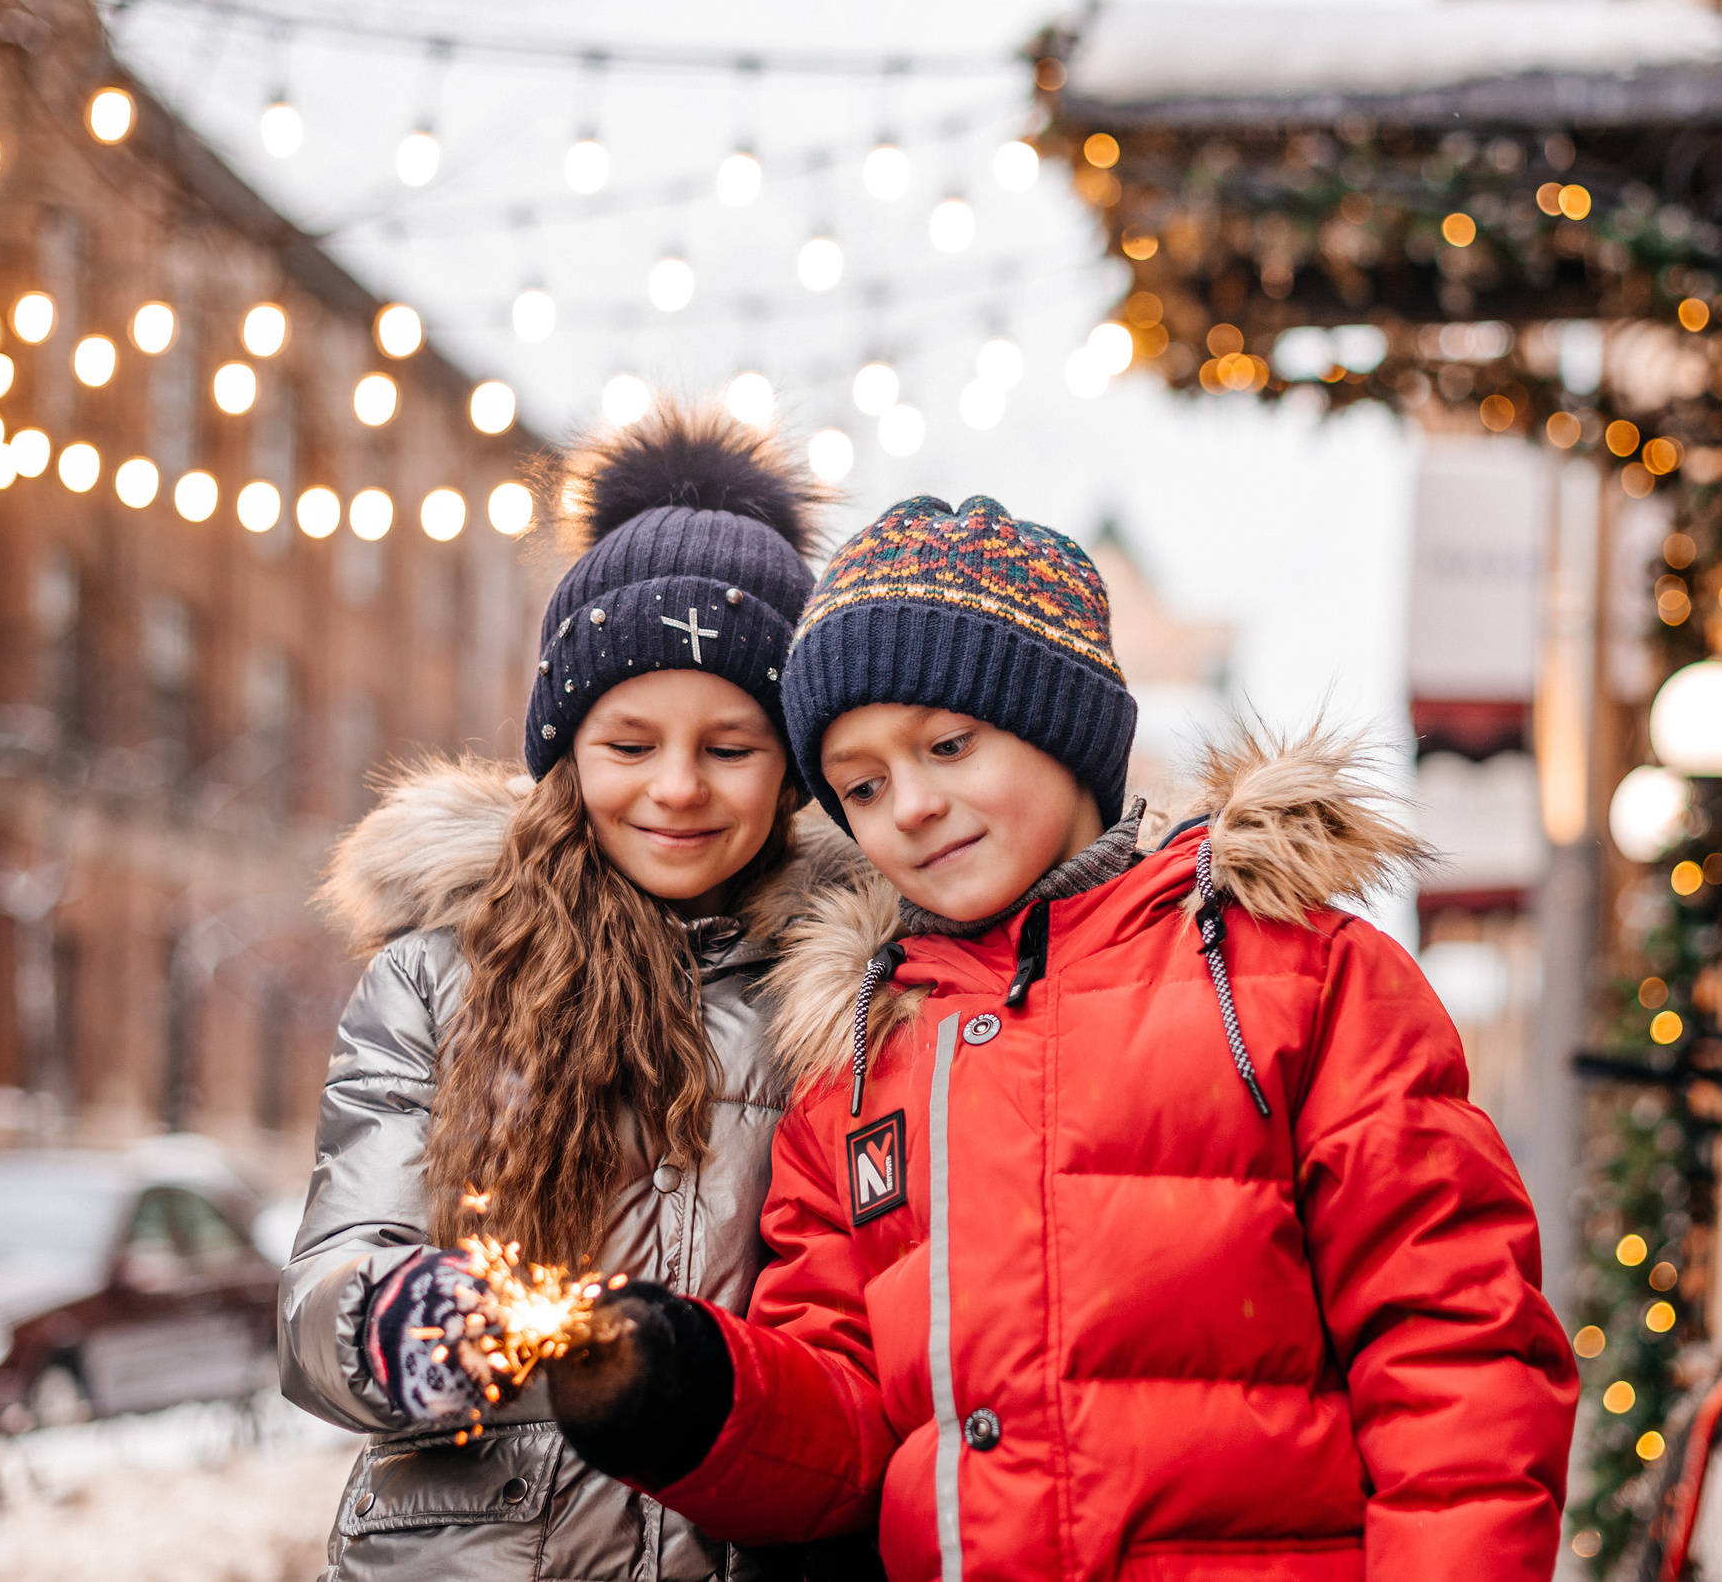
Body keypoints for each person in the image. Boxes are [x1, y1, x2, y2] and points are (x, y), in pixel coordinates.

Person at [541, 493, 1579, 1580]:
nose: (912, 805)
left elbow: (1452, 1342)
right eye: (862, 784)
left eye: (948, 743)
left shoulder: (1292, 976)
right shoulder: (855, 1069)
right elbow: (846, 1413)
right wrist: (698, 1395)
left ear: (1057, 725)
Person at [279, 405, 877, 1582]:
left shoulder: (843, 988)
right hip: (475, 1549)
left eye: (732, 744)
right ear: (566, 746)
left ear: (793, 762)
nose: (677, 787)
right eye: (629, 741)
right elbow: (329, 1279)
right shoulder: (440, 976)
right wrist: (399, 1320)